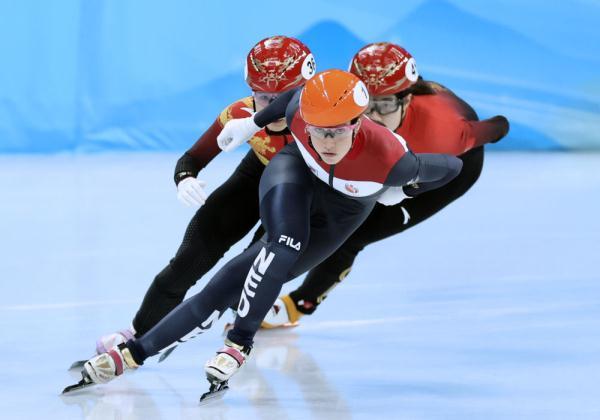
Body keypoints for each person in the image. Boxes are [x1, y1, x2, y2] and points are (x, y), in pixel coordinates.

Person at [72, 69, 463, 393]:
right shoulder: (298, 110)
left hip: (344, 208)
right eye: (317, 130)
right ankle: (146, 353)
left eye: (337, 131)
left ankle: (223, 342)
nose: (326, 141)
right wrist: (252, 124)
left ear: (359, 122)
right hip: (295, 173)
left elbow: (451, 167)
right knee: (280, 247)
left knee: (246, 275)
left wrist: (408, 188)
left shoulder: (393, 160)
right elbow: (289, 98)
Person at [91, 35, 317, 355]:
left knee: (247, 275)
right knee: (188, 260)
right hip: (256, 174)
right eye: (263, 97)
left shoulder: (323, 122)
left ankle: (230, 332)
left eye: (284, 97)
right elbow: (193, 158)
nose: (273, 107)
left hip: (302, 193)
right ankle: (139, 331)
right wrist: (185, 179)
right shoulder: (239, 112)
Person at [260, 42, 510, 328]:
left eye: (386, 104)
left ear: (407, 99)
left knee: (354, 232)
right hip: (392, 159)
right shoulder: (342, 109)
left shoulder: (445, 130)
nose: (375, 117)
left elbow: (497, 127)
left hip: (446, 169)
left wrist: (410, 189)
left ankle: (298, 305)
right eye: (368, 104)